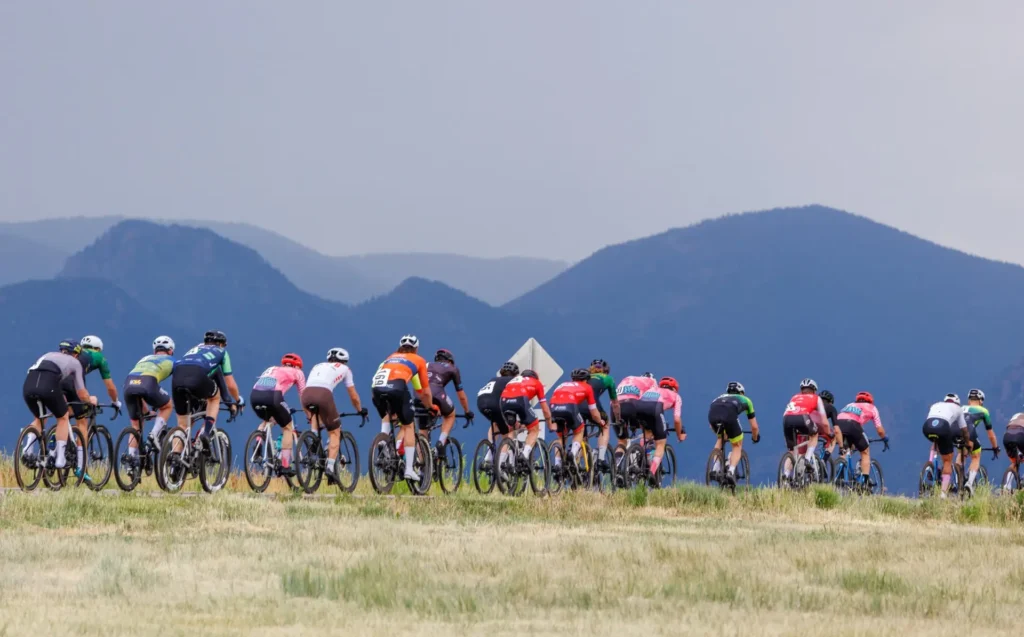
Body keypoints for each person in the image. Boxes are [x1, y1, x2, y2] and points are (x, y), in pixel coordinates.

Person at [22, 340, 96, 473]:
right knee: (63, 417)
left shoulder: (49, 354)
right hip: (48, 385)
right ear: (76, 354)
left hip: (29, 384)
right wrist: (90, 401)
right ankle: (60, 459)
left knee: (39, 417)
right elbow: (81, 392)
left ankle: (27, 450)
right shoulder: (75, 363)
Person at [371, 335, 433, 481]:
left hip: (376, 389)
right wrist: (431, 406)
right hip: (397, 388)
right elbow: (424, 391)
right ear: (416, 349)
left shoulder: (389, 357)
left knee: (388, 414)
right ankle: (410, 469)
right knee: (409, 424)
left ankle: (383, 441)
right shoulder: (418, 360)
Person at [301, 347, 367, 480]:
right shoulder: (345, 369)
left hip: (306, 395)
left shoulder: (317, 365)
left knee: (315, 414)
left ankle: (314, 440)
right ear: (345, 361)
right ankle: (330, 468)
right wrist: (360, 410)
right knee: (335, 432)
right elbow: (353, 396)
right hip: (324, 395)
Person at [171, 330, 242, 440]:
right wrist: (238, 401)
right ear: (220, 343)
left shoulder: (194, 350)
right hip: (197, 376)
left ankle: (175, 455)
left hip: (177, 377)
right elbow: (229, 384)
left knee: (183, 426)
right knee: (214, 398)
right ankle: (206, 433)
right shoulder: (221, 352)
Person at [250, 353, 307, 476]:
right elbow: (303, 395)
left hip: (255, 396)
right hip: (273, 396)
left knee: (267, 421)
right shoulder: (298, 372)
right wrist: (309, 414)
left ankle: (257, 446)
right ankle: (285, 465)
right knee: (287, 427)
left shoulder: (272, 369)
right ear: (297, 366)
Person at [122, 336, 176, 457]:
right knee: (167, 406)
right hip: (149, 383)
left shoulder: (144, 359)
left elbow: (138, 385)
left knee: (136, 425)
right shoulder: (173, 360)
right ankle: (154, 434)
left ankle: (131, 460)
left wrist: (146, 411)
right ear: (171, 350)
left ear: (154, 351)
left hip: (128, 384)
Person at [548, 369, 605, 466]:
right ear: (586, 380)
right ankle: (573, 454)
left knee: (561, 437)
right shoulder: (587, 387)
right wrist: (600, 421)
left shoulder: (562, 384)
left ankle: (557, 464)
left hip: (554, 408)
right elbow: (594, 412)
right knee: (579, 430)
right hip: (569, 406)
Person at [707, 382, 760, 485]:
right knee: (737, 445)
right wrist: (755, 437)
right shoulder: (746, 400)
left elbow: (711, 426)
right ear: (741, 393)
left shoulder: (718, 397)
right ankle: (731, 471)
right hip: (729, 416)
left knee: (720, 439)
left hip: (713, 416)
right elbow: (754, 427)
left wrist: (723, 435)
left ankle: (715, 467)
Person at [499, 369, 554, 466]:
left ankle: (500, 464)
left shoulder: (514, 380)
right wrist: (549, 422)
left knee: (511, 430)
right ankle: (524, 455)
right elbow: (545, 409)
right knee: (534, 429)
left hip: (503, 400)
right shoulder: (537, 383)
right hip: (520, 399)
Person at [835, 392, 889, 488]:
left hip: (839, 425)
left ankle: (840, 473)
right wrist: (884, 438)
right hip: (853, 425)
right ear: (870, 401)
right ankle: (865, 482)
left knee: (845, 451)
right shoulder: (872, 408)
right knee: (865, 452)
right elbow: (880, 430)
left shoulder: (850, 405)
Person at [922, 393, 970, 498]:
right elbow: (964, 429)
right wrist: (967, 442)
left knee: (935, 442)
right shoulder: (958, 408)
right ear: (957, 402)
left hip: (927, 426)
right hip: (943, 426)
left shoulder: (936, 404)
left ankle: (930, 466)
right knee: (948, 460)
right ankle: (943, 494)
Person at [637, 377, 685, 479]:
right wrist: (679, 434)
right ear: (675, 389)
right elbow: (677, 419)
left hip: (639, 408)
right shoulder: (676, 396)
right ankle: (652, 472)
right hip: (655, 410)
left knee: (647, 434)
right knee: (660, 443)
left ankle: (640, 456)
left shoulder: (652, 390)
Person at [427, 349, 473, 453]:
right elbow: (461, 395)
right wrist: (467, 411)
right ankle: (441, 442)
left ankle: (422, 465)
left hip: (420, 395)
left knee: (422, 430)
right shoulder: (452, 368)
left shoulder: (426, 365)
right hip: (437, 393)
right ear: (450, 361)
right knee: (450, 415)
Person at [782, 379, 829, 480]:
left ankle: (785, 475)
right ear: (814, 390)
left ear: (801, 390)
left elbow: (792, 411)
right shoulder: (816, 398)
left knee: (792, 451)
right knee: (814, 434)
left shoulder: (794, 397)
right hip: (802, 417)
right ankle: (807, 459)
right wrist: (828, 433)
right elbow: (824, 422)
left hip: (786, 419)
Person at [475, 362, 520, 462]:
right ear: (516, 375)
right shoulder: (513, 381)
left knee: (495, 423)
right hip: (495, 403)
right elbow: (515, 401)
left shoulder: (494, 379)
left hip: (481, 403)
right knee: (510, 431)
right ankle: (501, 462)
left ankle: (490, 449)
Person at [960, 389, 1000, 490]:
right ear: (981, 401)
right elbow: (990, 434)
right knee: (976, 456)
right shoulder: (983, 411)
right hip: (969, 431)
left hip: (955, 431)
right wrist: (995, 447)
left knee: (962, 453)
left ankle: (958, 475)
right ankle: (969, 482)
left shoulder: (961, 408)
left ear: (969, 400)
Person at [586, 359, 620, 472]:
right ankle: (601, 458)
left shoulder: (585, 377)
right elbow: (615, 403)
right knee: (605, 425)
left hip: (577, 406)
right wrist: (618, 419)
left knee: (580, 433)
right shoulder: (608, 378)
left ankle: (578, 458)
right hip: (593, 405)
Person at [614, 372, 658, 451]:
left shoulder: (627, 379)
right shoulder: (652, 382)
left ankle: (616, 462)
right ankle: (648, 454)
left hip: (615, 408)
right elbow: (652, 404)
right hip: (632, 405)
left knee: (622, 442)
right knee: (649, 430)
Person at [818, 390, 839, 461]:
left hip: (808, 425)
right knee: (834, 437)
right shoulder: (831, 408)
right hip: (820, 427)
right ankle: (824, 459)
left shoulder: (814, 405)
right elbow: (836, 426)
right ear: (830, 401)